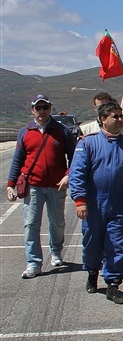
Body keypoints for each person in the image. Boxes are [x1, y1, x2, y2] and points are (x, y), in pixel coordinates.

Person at [69, 101, 123, 304]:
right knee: (92, 243)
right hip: (94, 204)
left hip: (119, 204)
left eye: (121, 116)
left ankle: (113, 284)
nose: (120, 120)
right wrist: (80, 200)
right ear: (103, 119)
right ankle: (92, 272)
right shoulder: (87, 143)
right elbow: (77, 174)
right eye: (115, 116)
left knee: (118, 244)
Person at [7, 94, 75, 278]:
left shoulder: (62, 131)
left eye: (45, 107)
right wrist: (10, 184)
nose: (42, 111)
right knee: (30, 224)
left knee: (57, 223)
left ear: (50, 108)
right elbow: (17, 160)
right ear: (32, 110)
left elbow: (75, 157)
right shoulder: (25, 132)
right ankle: (34, 263)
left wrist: (68, 175)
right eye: (38, 108)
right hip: (34, 186)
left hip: (56, 186)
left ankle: (56, 251)